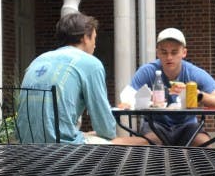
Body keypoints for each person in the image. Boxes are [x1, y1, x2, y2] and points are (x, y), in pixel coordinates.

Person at [19, 12, 134, 144]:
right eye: (94, 39)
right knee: (134, 142)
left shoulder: (38, 60)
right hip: (62, 150)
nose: (95, 45)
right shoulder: (91, 63)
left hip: (26, 146)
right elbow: (106, 128)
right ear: (85, 37)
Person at [122, 27, 215, 146]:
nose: (169, 57)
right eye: (164, 52)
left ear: (184, 53)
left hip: (187, 127)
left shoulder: (193, 73)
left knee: (204, 144)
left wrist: (198, 95)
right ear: (157, 53)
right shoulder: (147, 71)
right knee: (151, 143)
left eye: (174, 52)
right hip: (155, 125)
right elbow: (125, 99)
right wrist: (145, 99)